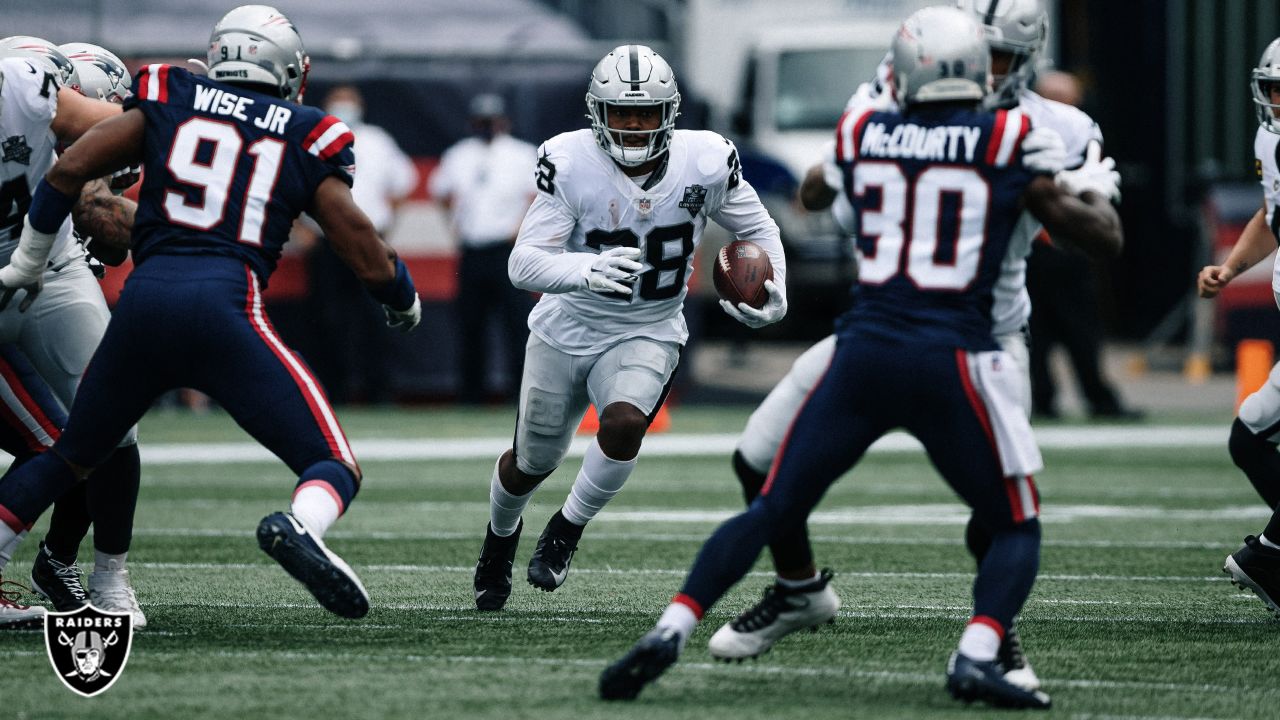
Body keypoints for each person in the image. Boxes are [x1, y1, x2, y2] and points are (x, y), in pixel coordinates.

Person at [599, 6, 1123, 709]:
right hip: (948, 348)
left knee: (977, 510)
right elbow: (1097, 235)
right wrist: (1061, 191)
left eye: (1002, 58)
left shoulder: (873, 122)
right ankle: (801, 593)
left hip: (968, 337)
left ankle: (998, 639)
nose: (987, 72)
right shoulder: (1019, 137)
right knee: (759, 460)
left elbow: (820, 190)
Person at [0, 4, 423, 620]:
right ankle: (301, 526)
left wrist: (24, 263)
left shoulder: (170, 94)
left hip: (144, 303)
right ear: (289, 70)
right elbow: (360, 243)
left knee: (70, 456)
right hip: (228, 309)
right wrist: (401, 299)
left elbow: (69, 169)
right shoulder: (305, 130)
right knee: (332, 461)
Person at [471, 44, 787, 612]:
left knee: (622, 424)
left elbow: (759, 230)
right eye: (622, 113)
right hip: (565, 325)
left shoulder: (708, 159)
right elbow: (523, 264)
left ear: (671, 113)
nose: (635, 126)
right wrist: (584, 268)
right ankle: (499, 542)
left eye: (645, 114)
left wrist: (775, 289)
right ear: (598, 113)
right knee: (530, 464)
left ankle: (567, 528)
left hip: (650, 325)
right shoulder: (569, 161)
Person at [0, 37, 147, 626]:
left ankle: (108, 577)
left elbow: (100, 209)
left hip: (48, 270)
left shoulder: (22, 86)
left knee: (112, 420)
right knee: (54, 441)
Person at [1197, 36, 1280, 617]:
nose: (1275, 102)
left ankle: (1271, 556)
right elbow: (1272, 215)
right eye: (1273, 89)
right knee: (1248, 437)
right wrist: (1231, 268)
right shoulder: (1270, 141)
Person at [1025, 69, 1141, 420]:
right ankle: (1040, 396)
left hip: (1068, 250)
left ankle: (1097, 394)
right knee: (1033, 330)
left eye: (1069, 100)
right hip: (1030, 251)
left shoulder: (1080, 135)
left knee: (1082, 329)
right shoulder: (1021, 134)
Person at [305, 83, 418, 404]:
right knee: (328, 319)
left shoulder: (377, 140)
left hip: (369, 238)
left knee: (376, 317)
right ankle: (332, 392)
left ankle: (379, 390)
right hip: (326, 241)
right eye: (337, 102)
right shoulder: (313, 138)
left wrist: (385, 227)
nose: (344, 108)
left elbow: (403, 182)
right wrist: (303, 228)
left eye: (348, 102)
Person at [429, 93, 537, 403]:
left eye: (491, 121)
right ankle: (471, 395)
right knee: (470, 325)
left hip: (507, 249)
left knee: (517, 326)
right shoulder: (459, 155)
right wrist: (454, 222)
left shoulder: (522, 155)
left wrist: (521, 229)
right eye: (482, 121)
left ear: (504, 121)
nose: (487, 127)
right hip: (473, 250)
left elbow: (538, 197)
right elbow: (440, 191)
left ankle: (522, 394)